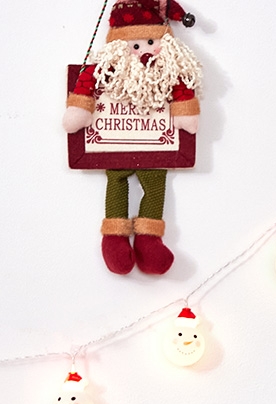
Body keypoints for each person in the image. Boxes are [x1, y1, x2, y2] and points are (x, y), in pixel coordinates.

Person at [62, 0, 202, 275]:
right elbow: (88, 79)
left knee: (155, 180)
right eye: (136, 45)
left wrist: (184, 111)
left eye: (151, 42)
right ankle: (114, 237)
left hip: (155, 148)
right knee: (116, 178)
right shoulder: (108, 70)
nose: (145, 52)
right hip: (115, 145)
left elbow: (181, 88)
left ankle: (149, 239)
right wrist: (80, 107)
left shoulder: (167, 72)